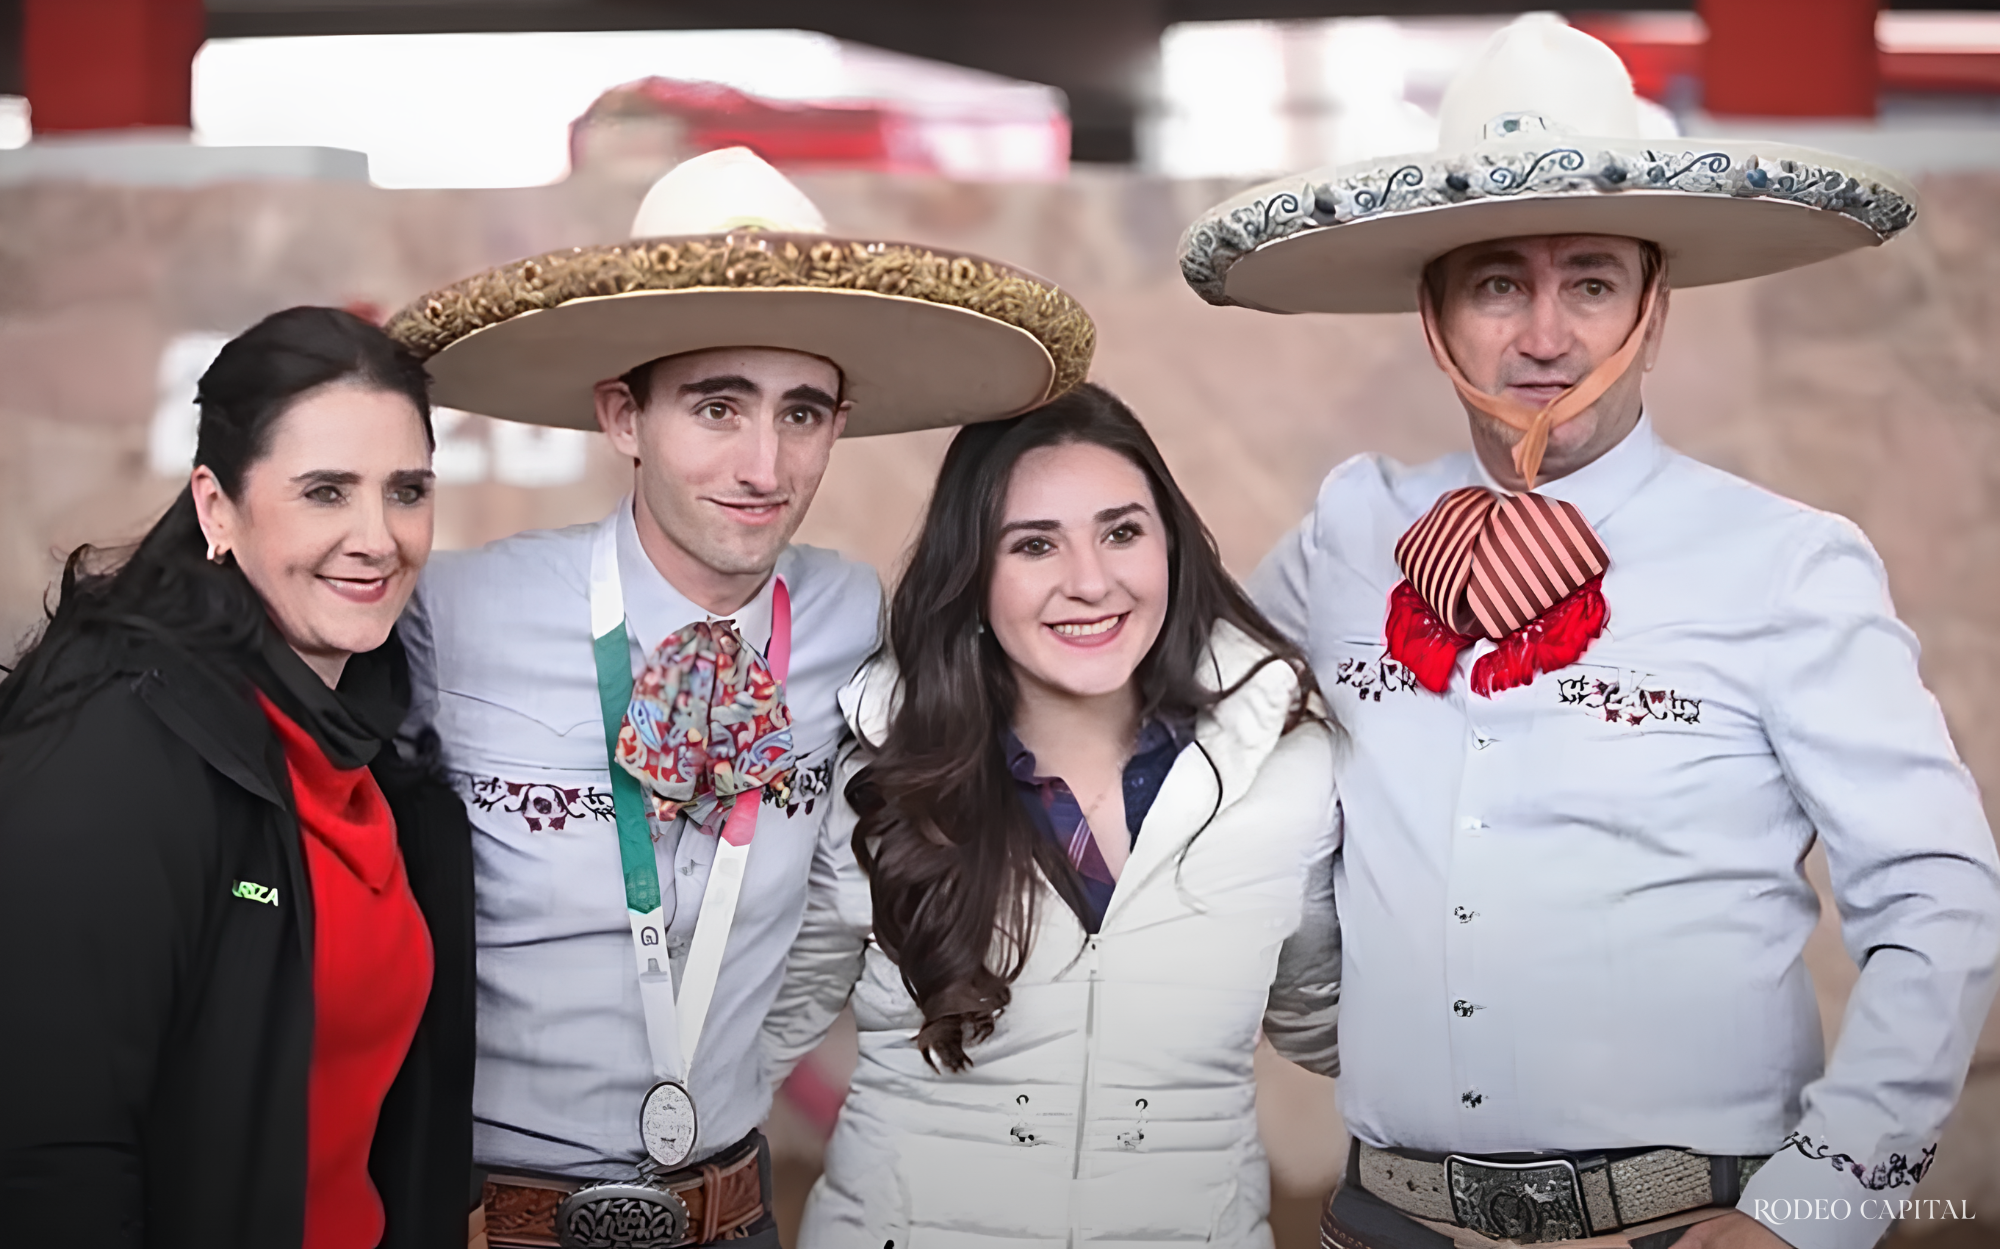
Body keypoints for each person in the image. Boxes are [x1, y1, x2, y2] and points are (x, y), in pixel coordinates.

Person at [1179, 17, 2000, 1249]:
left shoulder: (1782, 563)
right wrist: (1304, 976)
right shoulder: (1349, 532)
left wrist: (1814, 1209)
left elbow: (1936, 892)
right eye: (1498, 282)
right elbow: (1197, 734)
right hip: (1380, 1218)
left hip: (1685, 1228)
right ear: (1435, 315)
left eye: (1591, 283)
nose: (1545, 337)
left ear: (1652, 312)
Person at [384, 147, 1095, 1249]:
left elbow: (839, 896)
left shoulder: (851, 618)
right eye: (718, 408)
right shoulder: (459, 614)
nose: (765, 463)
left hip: (735, 1212)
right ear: (623, 416)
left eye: (801, 413)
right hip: (491, 1221)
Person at [762, 383, 1342, 1247]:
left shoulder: (1288, 767)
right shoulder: (878, 771)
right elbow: (762, 1027)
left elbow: (1327, 1019)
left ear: (1171, 545)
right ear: (973, 574)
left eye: (1121, 531)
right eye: (1035, 544)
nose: (1090, 581)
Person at [0, 306, 473, 1249]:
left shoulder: (374, 742)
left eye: (406, 490)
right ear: (217, 507)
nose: (379, 538)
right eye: (326, 492)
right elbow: (52, 1159)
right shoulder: (115, 753)